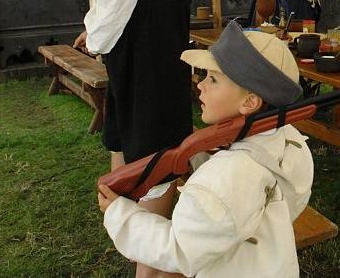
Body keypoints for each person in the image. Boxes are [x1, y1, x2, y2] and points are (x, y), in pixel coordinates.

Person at [74, 0, 197, 277]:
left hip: (142, 26)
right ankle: (152, 260)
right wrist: (102, 32)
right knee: (158, 140)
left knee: (132, 129)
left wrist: (99, 26)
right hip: (150, 32)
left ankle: (135, 240)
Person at [97, 22, 313, 277]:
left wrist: (120, 215)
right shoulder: (292, 141)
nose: (200, 84)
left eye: (213, 79)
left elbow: (178, 248)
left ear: (250, 101)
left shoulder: (223, 178)